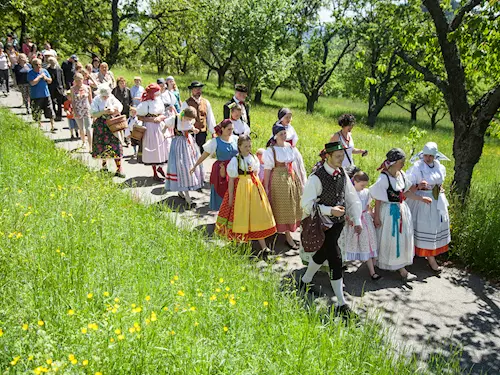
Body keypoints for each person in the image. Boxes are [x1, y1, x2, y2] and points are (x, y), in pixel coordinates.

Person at [300, 141, 363, 317]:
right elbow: (305, 205)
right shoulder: (316, 178)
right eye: (337, 157)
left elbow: (350, 196)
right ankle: (342, 304)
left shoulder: (342, 172)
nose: (340, 160)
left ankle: (304, 281)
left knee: (324, 253)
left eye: (342, 157)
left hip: (338, 223)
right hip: (322, 224)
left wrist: (357, 219)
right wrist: (329, 210)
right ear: (327, 156)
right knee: (336, 258)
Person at [370, 148, 432, 282]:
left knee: (401, 238)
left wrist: (421, 198)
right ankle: (396, 267)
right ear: (393, 162)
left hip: (402, 210)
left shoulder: (402, 175)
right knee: (390, 238)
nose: (403, 164)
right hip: (388, 212)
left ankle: (398, 265)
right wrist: (376, 216)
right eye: (401, 161)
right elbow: (378, 198)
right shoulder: (384, 178)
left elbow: (405, 193)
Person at [216, 135, 276, 253]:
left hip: (254, 188)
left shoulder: (253, 158)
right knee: (241, 215)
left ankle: (263, 247)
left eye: (249, 146)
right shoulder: (235, 160)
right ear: (239, 147)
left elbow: (256, 174)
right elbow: (232, 180)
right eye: (245, 146)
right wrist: (231, 197)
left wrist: (260, 191)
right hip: (241, 190)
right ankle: (239, 244)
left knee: (256, 215)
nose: (248, 148)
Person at [406, 142, 451, 272]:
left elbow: (440, 183)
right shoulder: (417, 167)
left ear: (435, 156)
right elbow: (408, 187)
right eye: (426, 155)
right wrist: (419, 185)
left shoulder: (439, 167)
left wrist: (439, 188)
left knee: (435, 227)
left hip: (436, 200)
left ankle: (430, 254)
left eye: (431, 156)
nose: (428, 158)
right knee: (423, 226)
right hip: (421, 200)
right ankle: (427, 258)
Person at [263, 124, 306, 249]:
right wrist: (266, 187)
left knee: (293, 205)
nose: (284, 135)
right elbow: (267, 169)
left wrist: (301, 180)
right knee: (280, 205)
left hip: (291, 178)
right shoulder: (271, 150)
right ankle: (279, 233)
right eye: (281, 134)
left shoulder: (289, 147)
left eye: (285, 133)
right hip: (278, 180)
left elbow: (296, 164)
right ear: (275, 136)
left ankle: (288, 234)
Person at [338, 170, 380, 280]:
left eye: (365, 185)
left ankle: (372, 271)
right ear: (355, 181)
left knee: (366, 243)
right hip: (352, 221)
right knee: (347, 243)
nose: (363, 187)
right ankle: (340, 264)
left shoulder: (366, 192)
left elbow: (368, 207)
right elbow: (346, 209)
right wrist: (348, 218)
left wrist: (373, 216)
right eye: (362, 185)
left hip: (365, 221)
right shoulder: (349, 194)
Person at [190, 119, 238, 211]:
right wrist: (195, 166)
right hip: (221, 170)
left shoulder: (235, 139)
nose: (231, 131)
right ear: (222, 129)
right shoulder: (216, 141)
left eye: (232, 129)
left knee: (234, 193)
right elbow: (204, 155)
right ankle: (221, 217)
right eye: (228, 129)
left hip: (235, 169)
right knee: (222, 193)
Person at [164, 106, 205, 207]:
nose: (190, 120)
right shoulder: (175, 119)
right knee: (183, 167)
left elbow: (189, 127)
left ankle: (182, 192)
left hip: (188, 143)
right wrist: (164, 133)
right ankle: (187, 198)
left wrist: (194, 129)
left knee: (190, 165)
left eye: (191, 119)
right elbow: (165, 125)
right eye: (188, 118)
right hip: (178, 145)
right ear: (185, 115)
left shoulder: (189, 120)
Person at [136, 83, 171, 182]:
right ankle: (155, 172)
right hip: (150, 128)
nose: (158, 93)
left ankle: (160, 166)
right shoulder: (145, 104)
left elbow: (163, 113)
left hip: (160, 126)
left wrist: (160, 117)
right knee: (153, 148)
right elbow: (139, 117)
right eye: (156, 91)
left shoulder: (159, 101)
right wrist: (152, 120)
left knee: (163, 146)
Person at [90, 84, 125, 177]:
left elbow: (119, 106)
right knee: (102, 145)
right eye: (104, 95)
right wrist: (103, 112)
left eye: (107, 95)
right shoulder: (96, 99)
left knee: (116, 145)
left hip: (112, 124)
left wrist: (113, 109)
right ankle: (104, 167)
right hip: (101, 124)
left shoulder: (112, 97)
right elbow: (93, 113)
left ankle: (119, 168)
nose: (106, 97)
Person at [181, 81, 216, 153]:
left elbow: (210, 118)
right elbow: (182, 118)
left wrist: (213, 132)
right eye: (196, 89)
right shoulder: (186, 104)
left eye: (199, 89)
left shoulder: (206, 102)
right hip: (191, 133)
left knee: (201, 152)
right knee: (191, 153)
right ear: (192, 90)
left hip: (202, 132)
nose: (198, 91)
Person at [27, 58, 55, 131]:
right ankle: (40, 125)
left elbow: (50, 81)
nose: (39, 66)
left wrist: (45, 78)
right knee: (37, 111)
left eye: (40, 64)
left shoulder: (44, 71)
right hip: (36, 95)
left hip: (46, 94)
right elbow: (32, 83)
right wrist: (39, 77)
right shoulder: (30, 73)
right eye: (37, 65)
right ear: (33, 65)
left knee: (50, 110)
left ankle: (52, 126)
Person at [70, 73, 93, 149]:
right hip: (78, 110)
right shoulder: (72, 89)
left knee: (88, 128)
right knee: (81, 128)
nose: (78, 82)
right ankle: (83, 141)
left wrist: (93, 110)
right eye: (76, 80)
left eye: (80, 80)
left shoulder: (87, 88)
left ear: (83, 80)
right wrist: (75, 111)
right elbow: (73, 101)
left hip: (86, 109)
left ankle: (90, 146)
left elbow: (90, 100)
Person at [46, 57, 65, 121]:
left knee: (60, 103)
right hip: (51, 88)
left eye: (53, 61)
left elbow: (62, 79)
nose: (52, 63)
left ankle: (60, 116)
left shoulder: (59, 69)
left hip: (59, 87)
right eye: (51, 61)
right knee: (52, 102)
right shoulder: (47, 70)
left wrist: (63, 88)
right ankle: (54, 114)